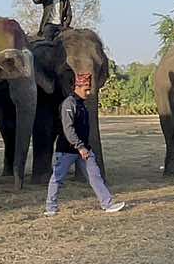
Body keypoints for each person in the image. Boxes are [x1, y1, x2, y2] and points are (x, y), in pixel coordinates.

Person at [45, 70, 126, 216]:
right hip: (67, 150)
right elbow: (68, 129)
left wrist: (84, 147)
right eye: (86, 89)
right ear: (77, 87)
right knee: (57, 178)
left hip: (83, 150)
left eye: (89, 89)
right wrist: (80, 146)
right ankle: (51, 208)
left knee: (95, 176)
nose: (88, 92)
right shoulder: (69, 104)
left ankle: (107, 204)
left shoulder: (82, 104)